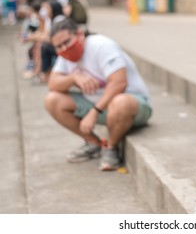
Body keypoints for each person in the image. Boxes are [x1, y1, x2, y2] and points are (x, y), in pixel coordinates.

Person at [44, 18, 153, 171]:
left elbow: (119, 82)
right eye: (58, 47)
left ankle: (111, 148)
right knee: (52, 100)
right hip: (103, 108)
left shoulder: (101, 45)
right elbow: (53, 84)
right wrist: (73, 77)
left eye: (67, 42)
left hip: (133, 105)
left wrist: (94, 112)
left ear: (80, 34)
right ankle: (95, 144)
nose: (63, 49)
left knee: (120, 102)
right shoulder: (65, 56)